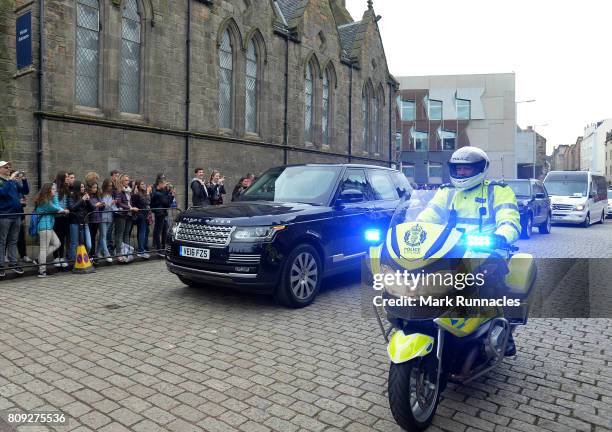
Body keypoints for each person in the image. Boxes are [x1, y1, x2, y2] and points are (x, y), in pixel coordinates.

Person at [417, 146, 521, 355]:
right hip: (451, 248)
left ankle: (504, 331)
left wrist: (501, 236)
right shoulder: (446, 192)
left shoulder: (498, 191)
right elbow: (428, 216)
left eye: (467, 169)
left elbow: (510, 219)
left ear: (480, 169)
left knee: (492, 283)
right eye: (458, 168)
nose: (462, 173)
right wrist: (416, 230)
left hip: (487, 248)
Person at [33, 183, 69, 277]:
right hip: (44, 227)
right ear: (48, 190)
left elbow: (56, 212)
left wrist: (61, 211)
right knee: (43, 249)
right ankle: (42, 271)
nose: (55, 191)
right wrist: (62, 208)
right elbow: (56, 208)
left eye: (55, 189)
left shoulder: (48, 200)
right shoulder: (45, 201)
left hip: (48, 226)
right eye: (53, 189)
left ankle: (39, 259)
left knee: (57, 243)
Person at [0, 161, 29, 277]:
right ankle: (1, 265)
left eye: (9, 167)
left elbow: (25, 191)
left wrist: (25, 179)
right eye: (6, 167)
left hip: (16, 214)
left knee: (13, 240)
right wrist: (10, 180)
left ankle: (13, 262)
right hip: (4, 215)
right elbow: (2, 194)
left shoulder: (12, 182)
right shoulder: (3, 181)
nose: (8, 169)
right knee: (2, 241)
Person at [113, 174, 138, 263]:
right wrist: (130, 208)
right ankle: (119, 253)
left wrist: (131, 208)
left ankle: (127, 252)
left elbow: (129, 201)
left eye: (128, 180)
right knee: (120, 234)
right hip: (121, 214)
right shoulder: (118, 191)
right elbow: (119, 203)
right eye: (126, 180)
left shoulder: (129, 190)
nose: (128, 182)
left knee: (127, 233)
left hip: (129, 214)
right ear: (121, 181)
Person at [67, 181, 95, 261]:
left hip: (84, 222)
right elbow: (72, 208)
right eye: (82, 187)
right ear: (78, 188)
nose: (83, 188)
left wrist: (88, 200)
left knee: (88, 244)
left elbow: (92, 208)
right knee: (75, 243)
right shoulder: (71, 196)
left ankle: (84, 259)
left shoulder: (84, 196)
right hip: (75, 222)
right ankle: (74, 261)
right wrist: (82, 200)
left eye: (83, 187)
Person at [52, 171, 70, 268]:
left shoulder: (65, 187)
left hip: (64, 216)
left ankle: (61, 257)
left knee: (62, 238)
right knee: (56, 238)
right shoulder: (54, 186)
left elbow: (66, 201)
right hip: (56, 216)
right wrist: (62, 210)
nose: (67, 178)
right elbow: (55, 202)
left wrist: (66, 209)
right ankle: (56, 258)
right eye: (66, 176)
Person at [151, 178, 173, 257]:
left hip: (163, 213)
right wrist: (172, 195)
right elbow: (167, 203)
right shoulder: (157, 193)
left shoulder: (161, 192)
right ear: (159, 184)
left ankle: (163, 248)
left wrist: (168, 191)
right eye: (164, 184)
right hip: (159, 214)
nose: (165, 185)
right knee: (158, 231)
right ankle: (159, 249)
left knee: (164, 230)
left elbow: (165, 199)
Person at [131, 180, 150, 259]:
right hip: (140, 215)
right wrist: (148, 193)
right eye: (142, 184)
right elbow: (146, 202)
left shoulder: (143, 193)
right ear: (138, 185)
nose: (144, 185)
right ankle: (141, 250)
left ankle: (143, 248)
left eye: (144, 183)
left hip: (144, 215)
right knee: (142, 232)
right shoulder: (137, 194)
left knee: (146, 231)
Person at [96, 179, 114, 263]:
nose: (110, 187)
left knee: (103, 235)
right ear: (105, 185)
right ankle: (107, 254)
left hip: (109, 216)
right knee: (103, 236)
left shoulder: (111, 194)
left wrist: (111, 205)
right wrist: (110, 204)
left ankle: (98, 252)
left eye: (111, 186)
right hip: (102, 217)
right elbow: (103, 206)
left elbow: (110, 206)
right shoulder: (101, 193)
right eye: (109, 185)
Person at [87, 183, 104, 258]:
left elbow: (100, 209)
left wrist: (102, 205)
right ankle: (90, 254)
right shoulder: (88, 197)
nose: (95, 189)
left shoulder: (97, 196)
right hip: (90, 219)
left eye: (96, 188)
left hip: (97, 219)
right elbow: (90, 207)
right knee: (90, 238)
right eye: (94, 187)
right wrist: (96, 205)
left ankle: (93, 254)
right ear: (90, 188)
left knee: (93, 237)